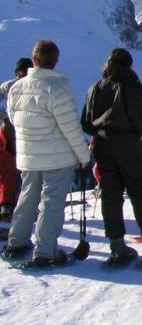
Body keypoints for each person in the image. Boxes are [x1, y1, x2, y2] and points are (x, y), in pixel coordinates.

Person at [81, 48, 142, 266]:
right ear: (130, 66)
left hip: (102, 147)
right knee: (140, 193)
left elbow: (86, 124)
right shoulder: (133, 89)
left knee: (110, 195)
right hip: (128, 147)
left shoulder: (95, 89)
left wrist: (101, 132)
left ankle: (117, 247)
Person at [2, 41, 90, 265]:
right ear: (55, 61)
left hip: (27, 155)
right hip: (57, 157)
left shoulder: (16, 88)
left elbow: (13, 119)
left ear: (34, 60)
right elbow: (70, 128)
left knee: (27, 198)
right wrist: (83, 156)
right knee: (51, 203)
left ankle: (16, 242)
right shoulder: (57, 89)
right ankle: (44, 252)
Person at [0, 58, 33, 220]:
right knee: (22, 170)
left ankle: (8, 204)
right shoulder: (33, 87)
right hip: (21, 131)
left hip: (9, 130)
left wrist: (4, 117)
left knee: (10, 169)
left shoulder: (7, 87)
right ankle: (15, 204)